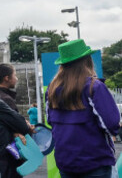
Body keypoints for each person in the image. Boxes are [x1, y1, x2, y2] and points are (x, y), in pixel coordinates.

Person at [47, 39, 120, 177]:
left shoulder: (51, 89)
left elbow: (51, 121)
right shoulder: (94, 87)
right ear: (87, 60)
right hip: (95, 163)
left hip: (66, 163)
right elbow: (112, 124)